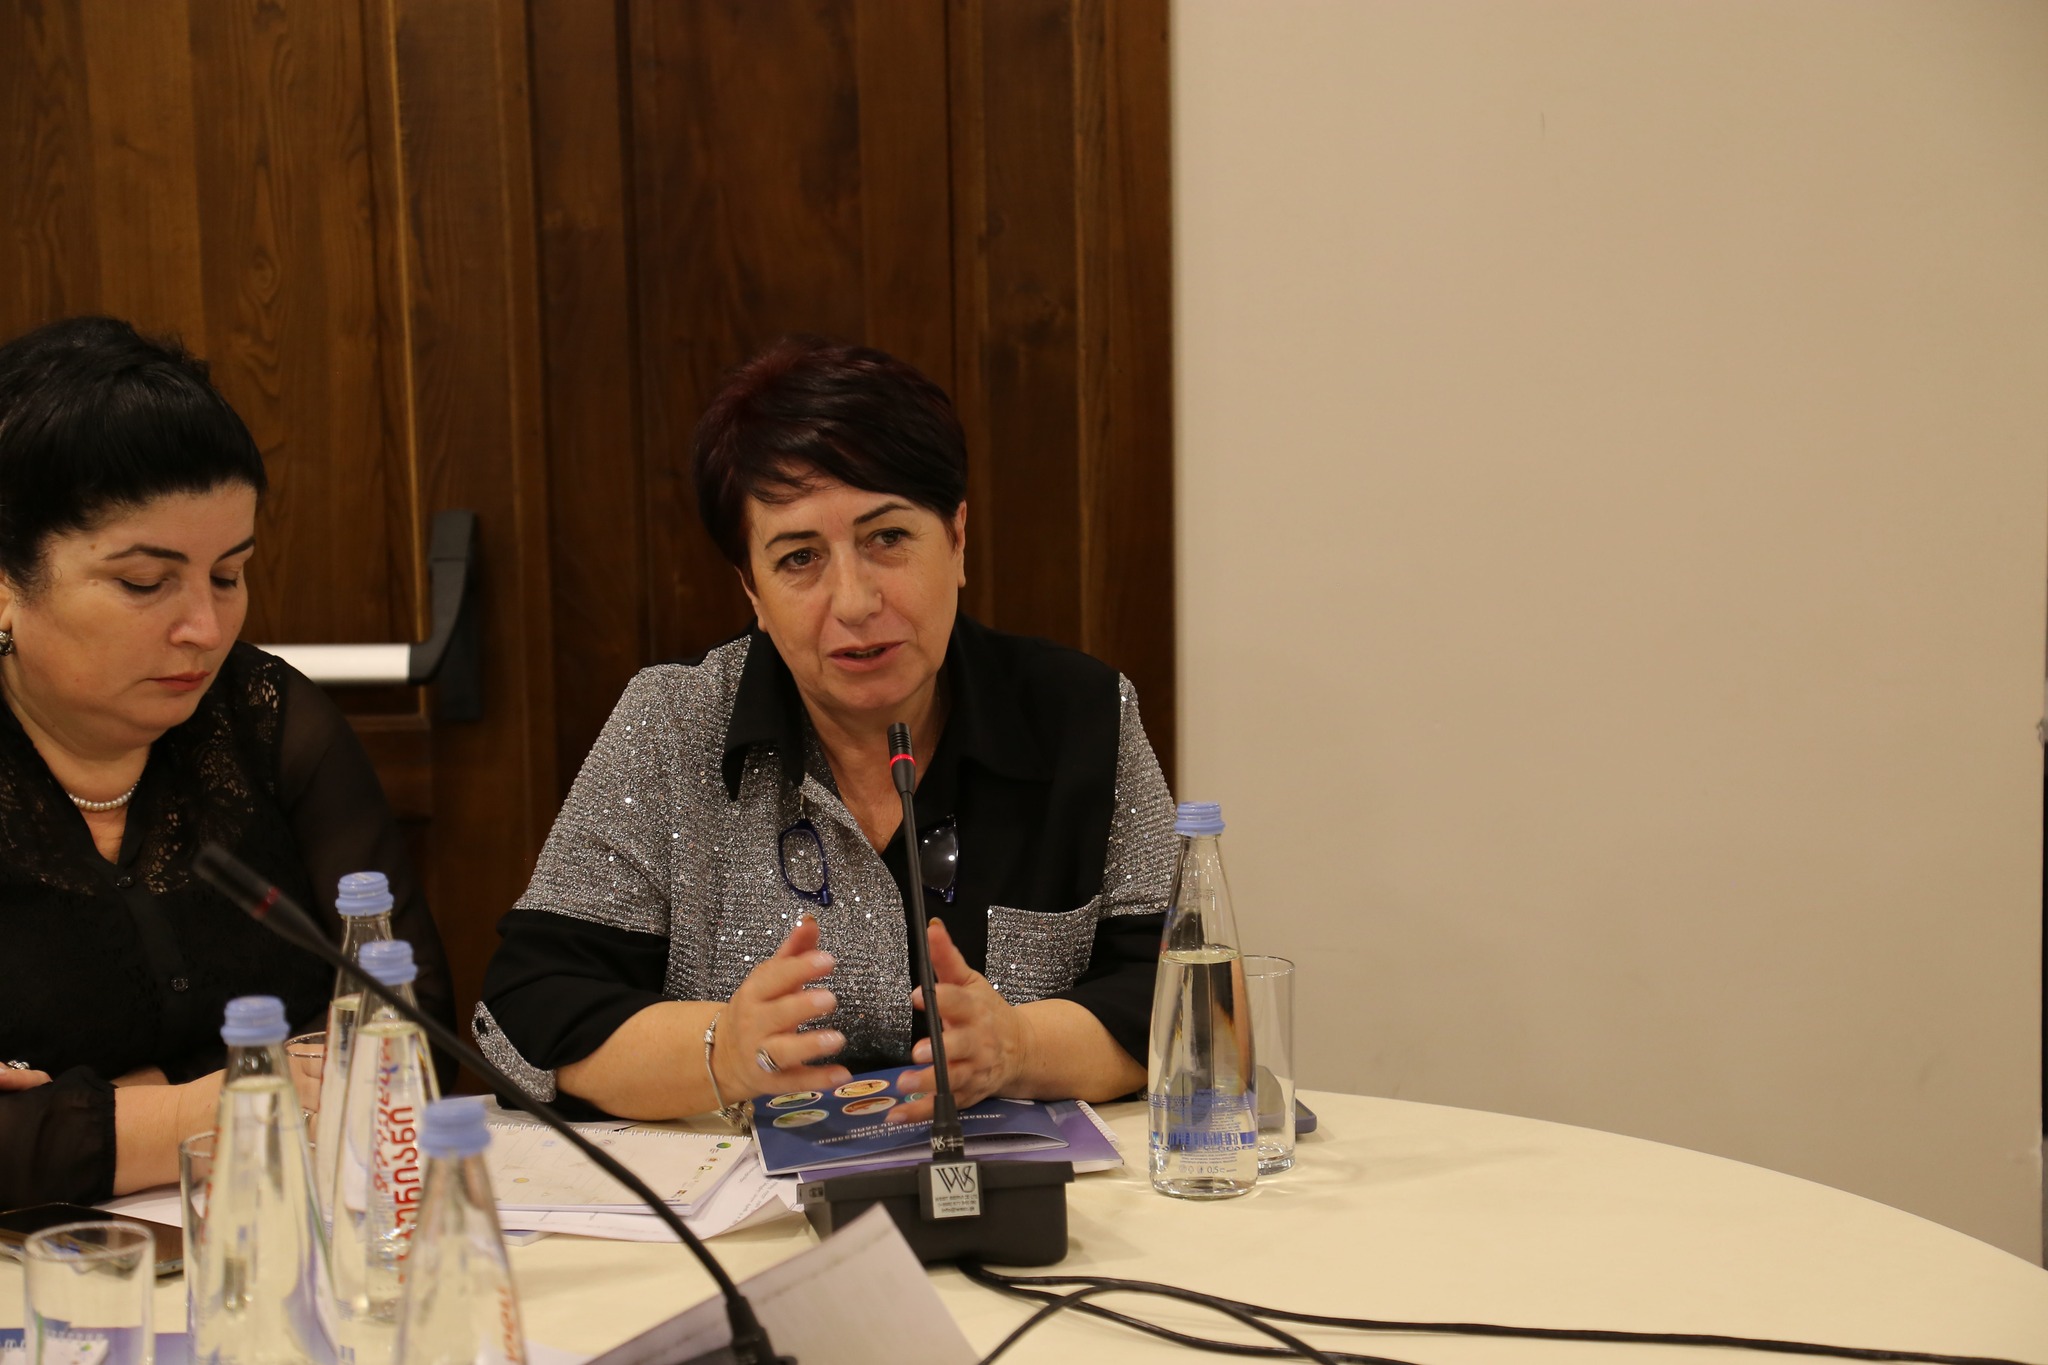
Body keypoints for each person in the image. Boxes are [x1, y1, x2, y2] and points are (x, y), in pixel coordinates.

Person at [478, 337, 1175, 1126]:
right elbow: (524, 1013)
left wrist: (1021, 1046)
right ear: (752, 589)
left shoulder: (1081, 714)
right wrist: (720, 1051)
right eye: (800, 557)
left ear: (957, 537)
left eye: (887, 538)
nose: (854, 601)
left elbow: (1199, 1003)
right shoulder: (674, 723)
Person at [0, 316, 453, 1206]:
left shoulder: (269, 719)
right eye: (144, 582)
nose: (204, 629)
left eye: (228, 574)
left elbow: (411, 1028)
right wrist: (226, 1102)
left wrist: (96, 1117)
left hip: (283, 1226)